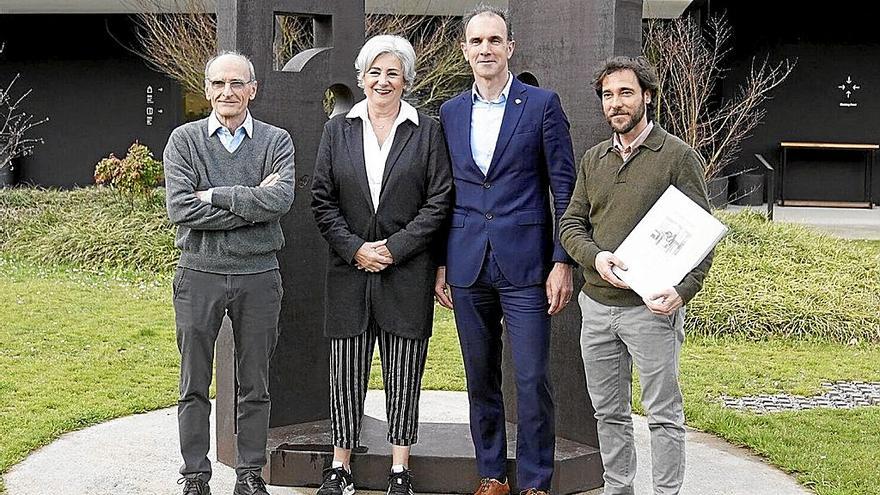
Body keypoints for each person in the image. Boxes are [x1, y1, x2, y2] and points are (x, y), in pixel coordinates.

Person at [435, 5, 576, 495]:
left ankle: (535, 481)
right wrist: (440, 263)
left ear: (510, 47)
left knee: (532, 378)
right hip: (468, 262)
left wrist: (562, 260)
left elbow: (565, 189)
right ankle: (492, 474)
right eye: (476, 42)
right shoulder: (450, 112)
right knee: (479, 376)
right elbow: (444, 193)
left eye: (495, 40)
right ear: (465, 50)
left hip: (528, 266)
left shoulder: (541, 105)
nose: (485, 50)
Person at [559, 56, 714, 495]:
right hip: (597, 307)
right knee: (608, 412)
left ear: (647, 95)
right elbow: (571, 224)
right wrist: (596, 258)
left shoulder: (677, 157)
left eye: (625, 93)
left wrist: (684, 291)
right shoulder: (594, 159)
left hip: (651, 311)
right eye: (608, 95)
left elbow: (702, 233)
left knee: (663, 415)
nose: (616, 103)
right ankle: (618, 489)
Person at [310, 34, 453, 495]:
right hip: (350, 271)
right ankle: (340, 467)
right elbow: (322, 201)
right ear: (360, 78)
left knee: (404, 374)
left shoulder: (427, 130)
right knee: (346, 374)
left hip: (406, 271)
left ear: (407, 80)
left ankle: (399, 470)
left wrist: (394, 248)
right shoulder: (338, 130)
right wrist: (355, 249)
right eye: (374, 71)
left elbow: (439, 200)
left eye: (393, 72)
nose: (383, 80)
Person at [163, 51, 295, 495]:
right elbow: (181, 208)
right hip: (198, 273)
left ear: (252, 90)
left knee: (254, 382)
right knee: (193, 381)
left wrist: (214, 195)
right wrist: (250, 202)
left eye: (237, 83)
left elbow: (280, 203)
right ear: (207, 91)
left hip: (259, 275)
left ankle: (250, 472)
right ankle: (196, 475)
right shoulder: (184, 141)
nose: (227, 92)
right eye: (219, 84)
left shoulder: (276, 141)